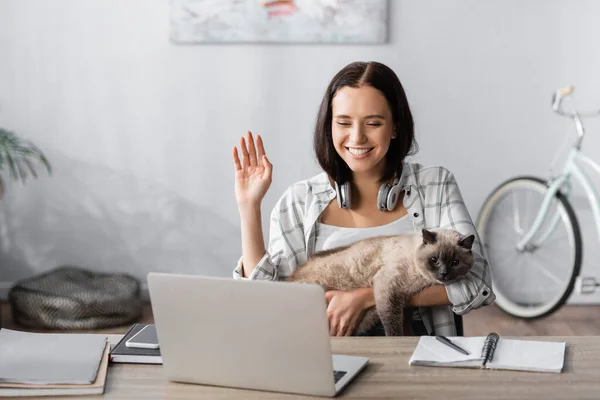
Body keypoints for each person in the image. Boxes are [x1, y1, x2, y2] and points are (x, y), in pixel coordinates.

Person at [231, 61, 494, 336]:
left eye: (373, 123)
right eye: (343, 123)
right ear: (329, 127)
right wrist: (249, 206)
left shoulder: (435, 185)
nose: (357, 137)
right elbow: (265, 303)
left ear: (395, 127)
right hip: (326, 357)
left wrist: (370, 296)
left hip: (417, 358)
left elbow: (477, 285)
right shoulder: (300, 200)